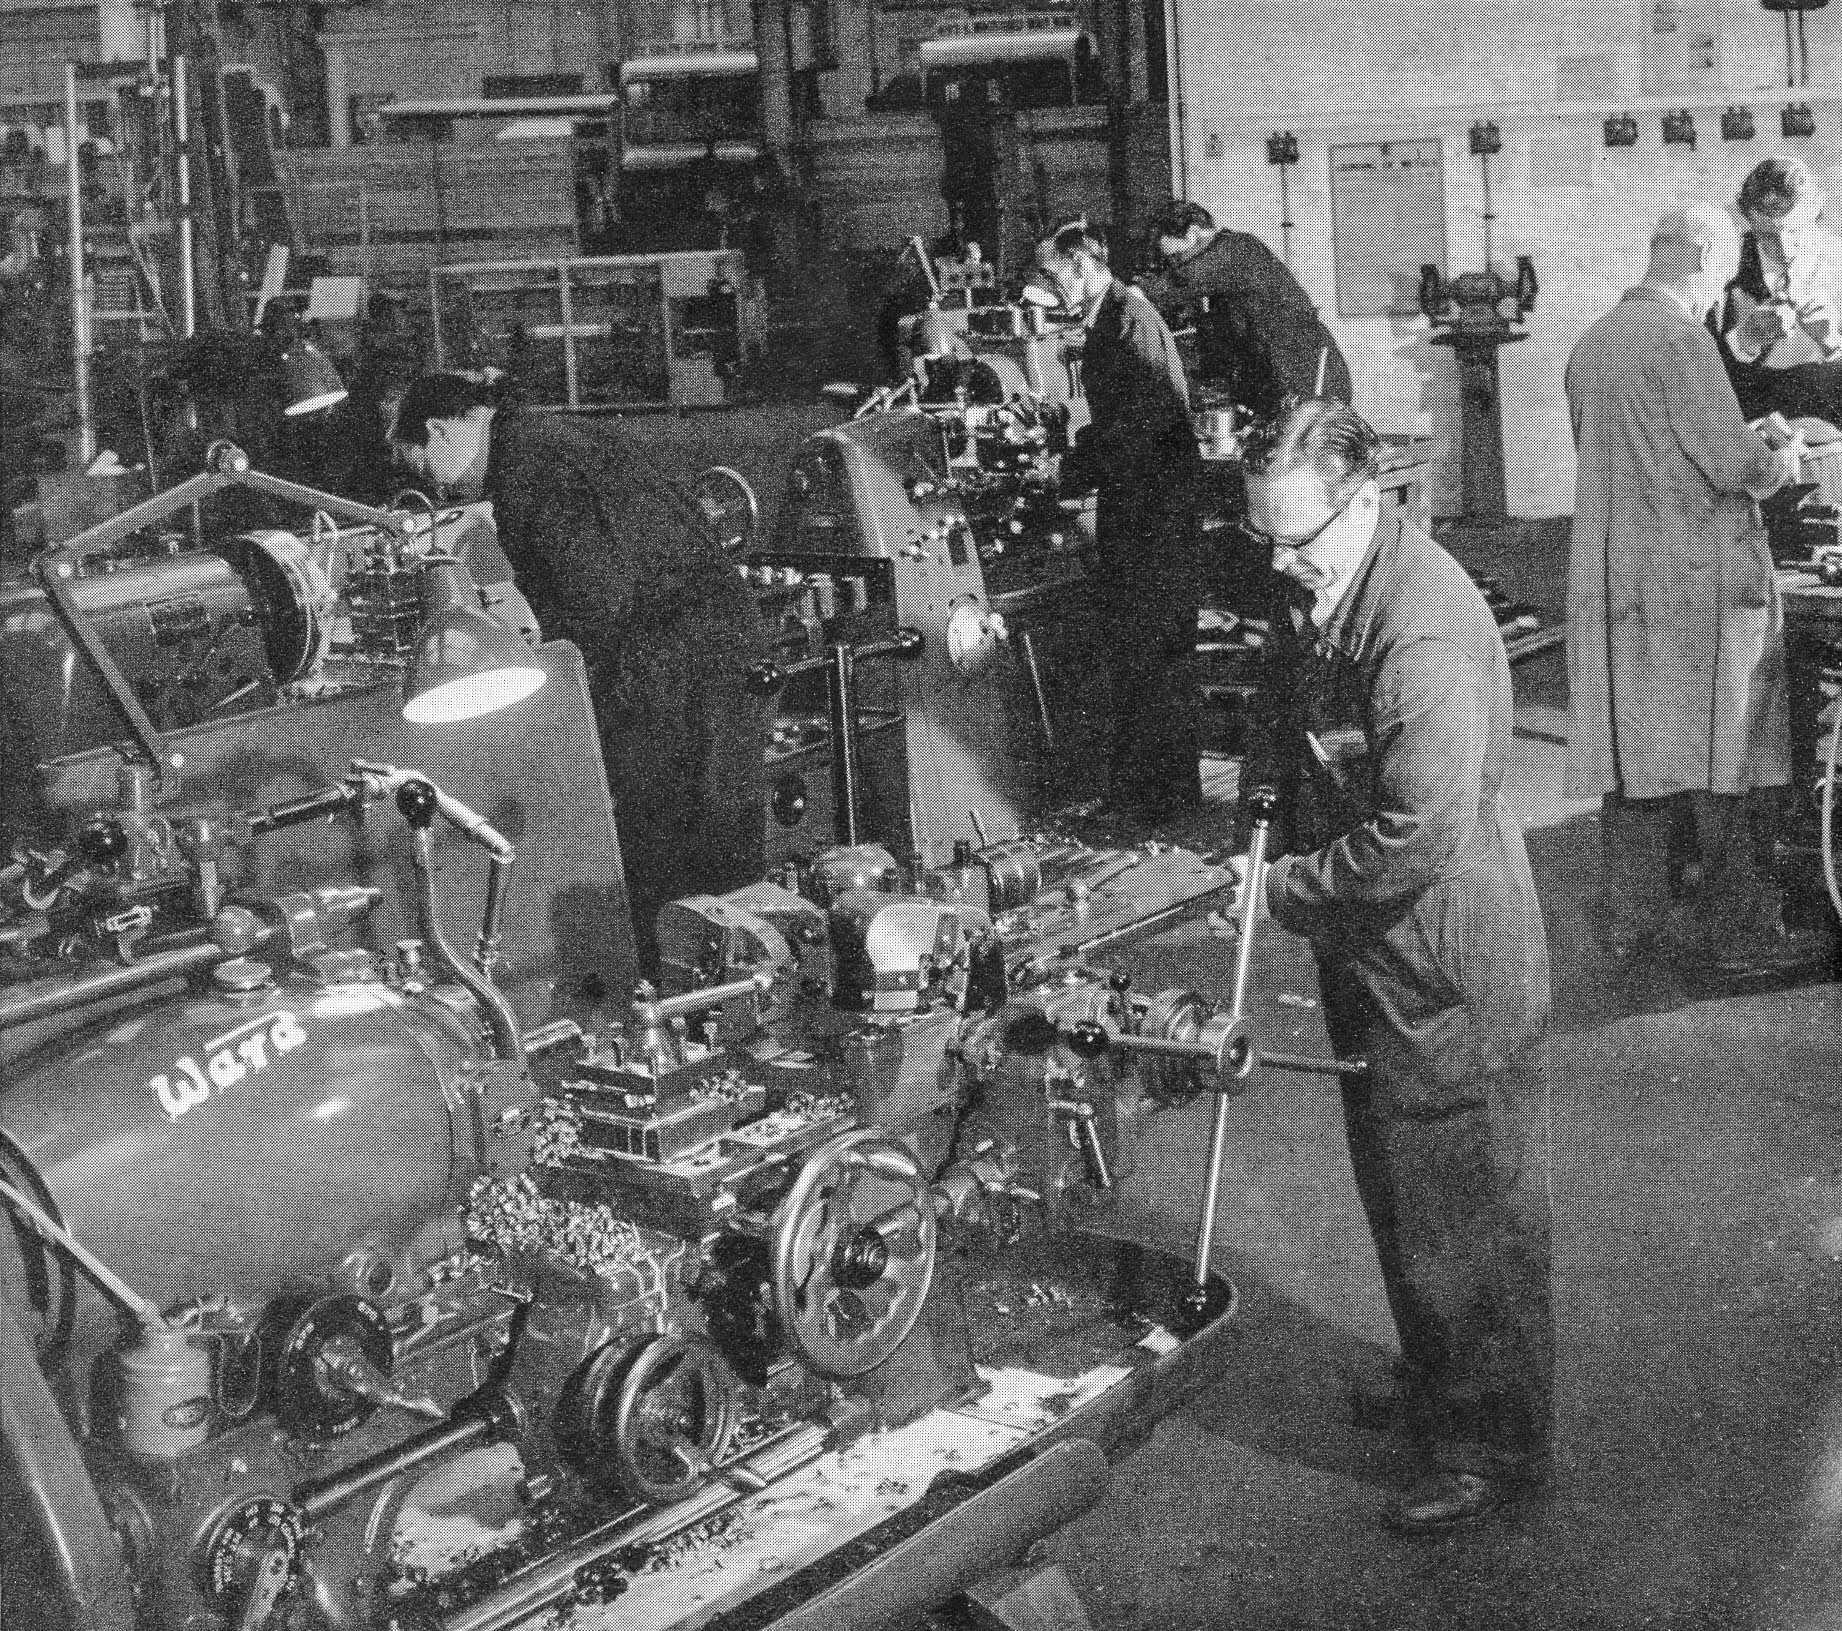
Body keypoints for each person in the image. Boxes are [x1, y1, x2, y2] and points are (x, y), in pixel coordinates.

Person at [1233, 397, 1555, 1534]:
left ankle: (1492, 1445)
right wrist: (1258, 806)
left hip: (1444, 957)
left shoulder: (1419, 633)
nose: (1282, 564)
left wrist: (1279, 888)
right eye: (1265, 538)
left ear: (1364, 501)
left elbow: (1417, 834)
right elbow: (1289, 707)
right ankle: (1440, 1380)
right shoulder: (1330, 577)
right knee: (1407, 1193)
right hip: (1375, 946)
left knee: (1467, 1212)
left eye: (1298, 541)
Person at [389, 373, 769, 974]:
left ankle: (674, 998)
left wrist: (531, 647)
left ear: (440, 431)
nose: (436, 487)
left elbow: (596, 597)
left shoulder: (525, 472)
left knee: (662, 846)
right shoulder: (547, 438)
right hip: (708, 650)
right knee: (716, 847)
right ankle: (728, 986)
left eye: (424, 467)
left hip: (672, 667)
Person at [1565, 204, 1826, 983]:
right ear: (1706, 256)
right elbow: (1735, 466)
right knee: (1729, 752)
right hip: (1695, 586)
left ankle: (1631, 926)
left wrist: (1742, 432)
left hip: (1620, 581)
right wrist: (1781, 449)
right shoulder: (1683, 341)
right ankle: (1742, 932)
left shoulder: (1594, 343)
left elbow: (1648, 452)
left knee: (1636, 758)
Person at [1034, 217, 1202, 819]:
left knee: (1151, 656)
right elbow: (1119, 421)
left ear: (1083, 267)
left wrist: (1069, 469)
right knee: (1141, 656)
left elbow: (1143, 424)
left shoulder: (1130, 317)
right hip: (1140, 507)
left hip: (1155, 515)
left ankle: (1155, 802)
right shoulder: (1111, 318)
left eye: (1054, 276)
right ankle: (1150, 795)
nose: (1050, 290)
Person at [1138, 197, 1352, 420]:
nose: (1175, 264)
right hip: (1282, 377)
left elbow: (1182, 281)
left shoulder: (1238, 249)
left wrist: (1134, 293)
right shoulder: (1223, 272)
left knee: (1310, 436)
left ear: (1194, 232)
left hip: (1309, 375)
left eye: (1176, 256)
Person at [1714, 157, 1842, 427]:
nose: (1783, 250)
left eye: (1794, 232)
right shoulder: (1723, 272)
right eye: (1768, 236)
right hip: (1761, 432)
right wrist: (1745, 341)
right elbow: (1706, 378)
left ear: (1815, 211)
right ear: (1749, 219)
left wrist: (1833, 345)